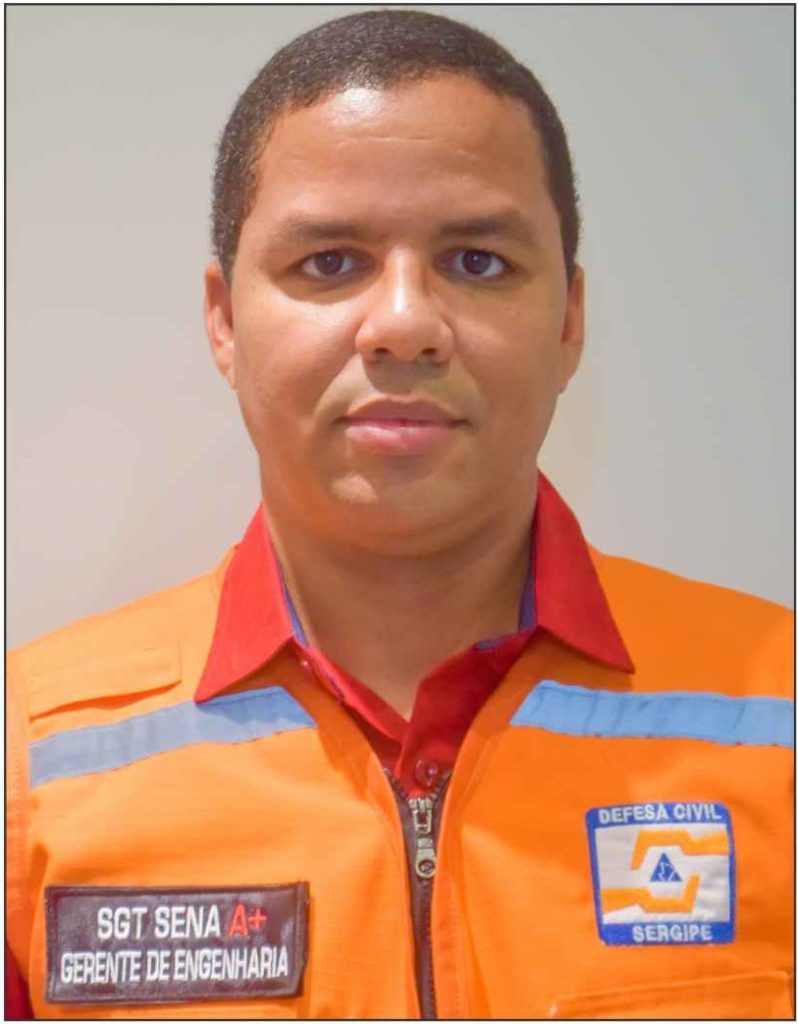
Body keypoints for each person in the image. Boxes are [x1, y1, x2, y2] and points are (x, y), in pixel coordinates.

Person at [6, 9, 793, 1020]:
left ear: (568, 320)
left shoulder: (777, 710)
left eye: (477, 261)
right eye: (331, 262)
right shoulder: (30, 758)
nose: (406, 325)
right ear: (225, 320)